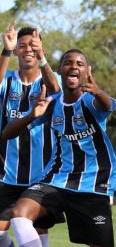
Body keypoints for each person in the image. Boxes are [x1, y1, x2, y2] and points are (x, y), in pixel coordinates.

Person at [3, 49, 116, 247]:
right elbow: (7, 133)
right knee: (20, 215)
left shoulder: (92, 100)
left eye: (79, 64)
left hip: (93, 184)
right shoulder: (51, 104)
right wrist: (32, 115)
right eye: (68, 63)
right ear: (60, 70)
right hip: (57, 180)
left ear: (87, 71)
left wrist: (98, 91)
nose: (74, 66)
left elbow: (107, 105)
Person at [0, 23, 60, 247]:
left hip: (42, 175)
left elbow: (55, 89)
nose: (27, 50)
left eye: (33, 46)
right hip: (7, 173)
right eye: (21, 46)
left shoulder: (51, 79)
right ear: (16, 51)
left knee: (37, 228)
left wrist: (43, 57)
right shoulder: (7, 81)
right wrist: (5, 49)